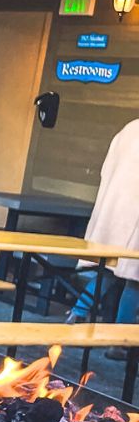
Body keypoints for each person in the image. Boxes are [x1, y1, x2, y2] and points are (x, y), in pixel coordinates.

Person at [67, 119, 139, 359]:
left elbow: (106, 169)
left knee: (107, 268)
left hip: (116, 208)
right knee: (135, 278)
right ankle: (118, 342)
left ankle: (77, 315)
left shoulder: (129, 128)